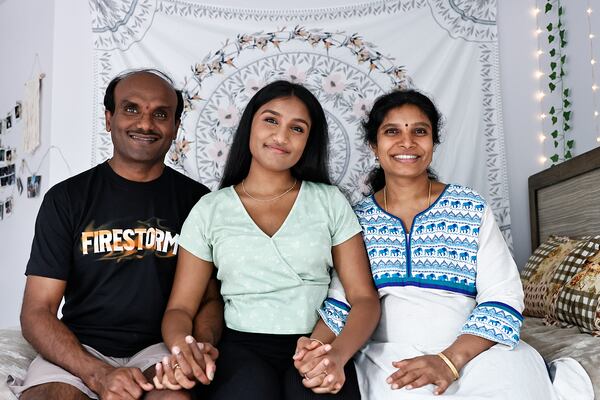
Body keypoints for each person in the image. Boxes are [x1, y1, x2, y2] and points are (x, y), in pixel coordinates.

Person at [320, 90, 558, 399]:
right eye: (392, 131)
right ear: (374, 147)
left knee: (512, 386)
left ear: (433, 143)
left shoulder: (469, 207)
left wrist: (449, 360)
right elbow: (342, 303)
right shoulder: (355, 221)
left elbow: (503, 296)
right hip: (389, 359)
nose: (407, 142)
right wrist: (319, 349)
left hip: (475, 351)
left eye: (420, 131)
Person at [156, 80, 380, 399]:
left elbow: (364, 299)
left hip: (318, 345)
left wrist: (337, 356)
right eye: (271, 120)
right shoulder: (210, 210)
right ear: (250, 125)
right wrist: (184, 347)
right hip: (239, 349)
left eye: (297, 128)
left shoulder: (330, 202)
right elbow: (179, 308)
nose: (281, 136)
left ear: (308, 141)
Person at [10, 69, 222, 400]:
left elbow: (210, 300)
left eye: (161, 114)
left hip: (161, 347)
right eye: (131, 108)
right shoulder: (67, 198)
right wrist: (98, 374)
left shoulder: (198, 202)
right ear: (109, 118)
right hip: (79, 347)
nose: (146, 124)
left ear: (176, 127)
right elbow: (37, 310)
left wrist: (197, 347)